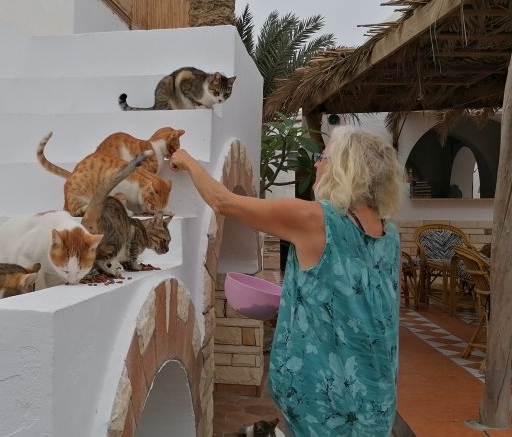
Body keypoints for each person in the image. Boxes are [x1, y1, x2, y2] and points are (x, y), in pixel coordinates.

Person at [170, 126, 405, 436]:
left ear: (345, 169)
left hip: (328, 404)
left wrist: (186, 159)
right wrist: (295, 306)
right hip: (376, 396)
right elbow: (357, 300)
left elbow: (222, 201)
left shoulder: (314, 219)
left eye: (323, 157)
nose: (316, 164)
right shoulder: (390, 233)